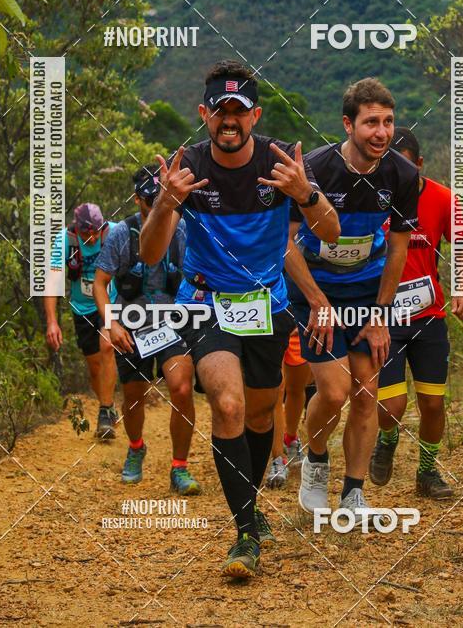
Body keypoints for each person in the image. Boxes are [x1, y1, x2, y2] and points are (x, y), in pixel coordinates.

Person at [140, 60, 339, 579]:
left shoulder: (281, 164)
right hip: (207, 303)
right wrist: (165, 204)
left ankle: (249, 509)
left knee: (257, 417)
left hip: (267, 306)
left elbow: (331, 232)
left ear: (254, 116)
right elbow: (153, 253)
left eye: (239, 111)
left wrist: (306, 195)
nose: (229, 120)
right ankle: (246, 533)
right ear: (205, 114)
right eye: (220, 111)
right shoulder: (190, 169)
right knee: (226, 405)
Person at [284, 78, 419, 518]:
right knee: (336, 390)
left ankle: (353, 493)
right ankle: (317, 459)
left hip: (366, 291)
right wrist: (318, 301)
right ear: (348, 124)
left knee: (366, 393)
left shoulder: (402, 173)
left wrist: (380, 315)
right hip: (315, 290)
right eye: (370, 123)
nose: (381, 132)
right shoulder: (317, 170)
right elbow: (286, 245)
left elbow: (398, 248)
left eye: (388, 122)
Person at [369, 127, 463, 499]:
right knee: (391, 406)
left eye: (405, 170)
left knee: (432, 402)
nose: (397, 179)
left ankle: (427, 472)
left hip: (428, 315)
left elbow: (462, 244)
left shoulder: (443, 198)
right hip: (384, 317)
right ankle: (388, 439)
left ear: (420, 166)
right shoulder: (370, 195)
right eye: (388, 169)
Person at [93, 166, 201, 494]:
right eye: (149, 201)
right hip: (132, 322)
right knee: (134, 398)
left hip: (173, 321)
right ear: (137, 198)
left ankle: (179, 467)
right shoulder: (120, 234)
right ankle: (136, 446)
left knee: (181, 389)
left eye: (161, 202)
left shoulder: (180, 230)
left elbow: (195, 274)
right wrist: (111, 323)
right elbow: (101, 283)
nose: (155, 208)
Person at [45, 203, 119, 440]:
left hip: (110, 301)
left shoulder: (115, 233)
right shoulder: (64, 241)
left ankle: (105, 413)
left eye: (96, 231)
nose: (92, 236)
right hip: (82, 307)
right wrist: (52, 322)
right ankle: (108, 406)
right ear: (78, 228)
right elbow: (52, 283)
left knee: (107, 346)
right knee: (94, 367)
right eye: (87, 232)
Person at [265, 328, 312, 488]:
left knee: (297, 387)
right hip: (268, 318)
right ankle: (278, 459)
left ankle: (290, 438)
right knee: (276, 389)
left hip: (296, 320)